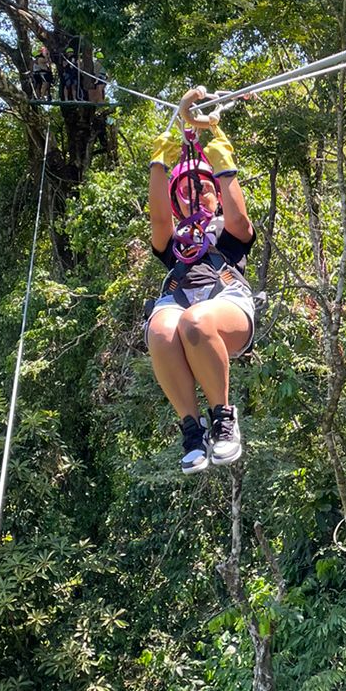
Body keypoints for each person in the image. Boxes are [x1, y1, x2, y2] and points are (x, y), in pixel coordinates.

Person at [145, 86, 255, 473]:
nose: (196, 196)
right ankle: (192, 430)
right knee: (161, 330)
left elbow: (240, 219)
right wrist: (158, 165)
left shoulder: (228, 230)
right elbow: (159, 221)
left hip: (226, 304)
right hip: (178, 301)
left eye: (203, 188)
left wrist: (219, 152)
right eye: (186, 192)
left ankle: (223, 418)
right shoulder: (175, 241)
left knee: (197, 321)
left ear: (216, 194)